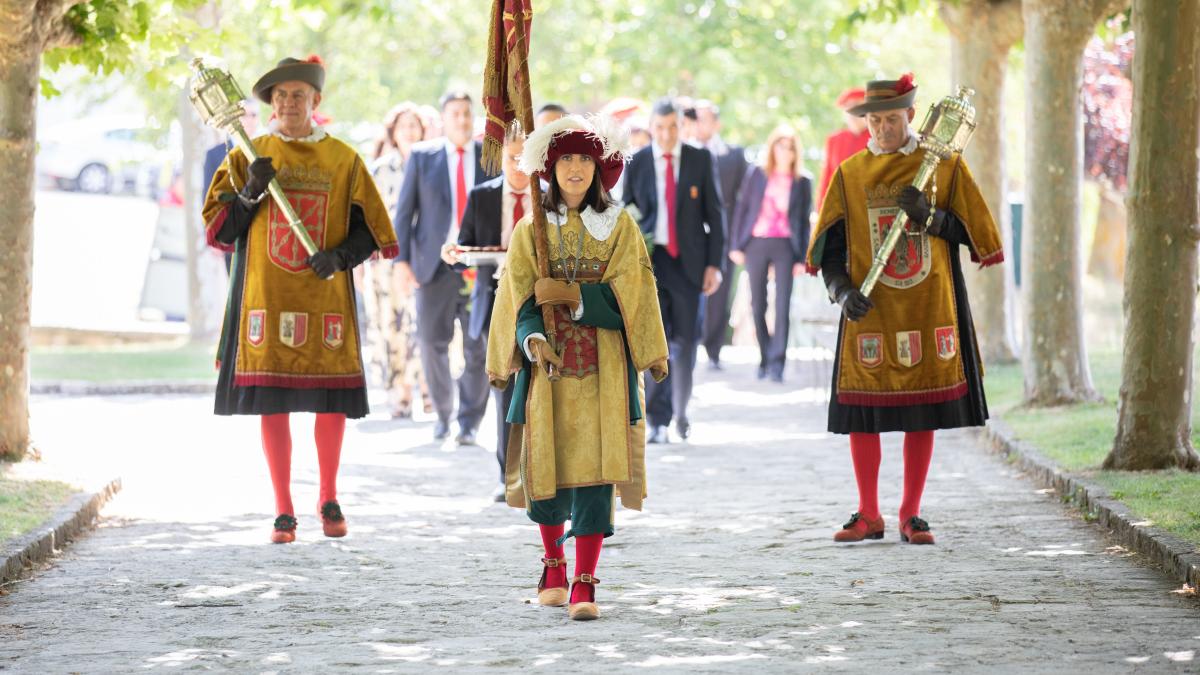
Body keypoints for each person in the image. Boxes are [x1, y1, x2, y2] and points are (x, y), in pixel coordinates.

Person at [202, 55, 398, 543]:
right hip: (265, 300)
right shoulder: (248, 153)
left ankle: (328, 495)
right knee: (275, 403)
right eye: (281, 96)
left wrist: (340, 256)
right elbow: (220, 230)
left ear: (316, 101)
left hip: (324, 299)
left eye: (299, 95)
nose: (289, 103)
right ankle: (283, 508)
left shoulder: (343, 159)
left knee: (329, 403)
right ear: (271, 103)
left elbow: (370, 231)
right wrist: (249, 191)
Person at [805, 74, 1003, 545]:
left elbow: (971, 233)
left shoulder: (944, 166)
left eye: (891, 119)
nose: (882, 129)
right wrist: (840, 291)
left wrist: (929, 215)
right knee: (862, 412)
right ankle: (868, 514)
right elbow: (829, 252)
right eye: (874, 120)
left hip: (925, 306)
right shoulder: (850, 174)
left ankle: (911, 513)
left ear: (912, 116)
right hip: (870, 312)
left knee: (923, 411)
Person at [486, 114, 668, 621]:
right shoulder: (531, 230)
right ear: (549, 166)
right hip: (548, 373)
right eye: (565, 157)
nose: (574, 168)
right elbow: (518, 297)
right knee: (549, 463)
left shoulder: (620, 227)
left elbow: (636, 291)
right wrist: (532, 336)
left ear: (599, 168)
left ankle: (586, 580)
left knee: (596, 470)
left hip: (605, 366)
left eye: (584, 159)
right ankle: (552, 565)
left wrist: (579, 297)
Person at [622, 98, 725, 444]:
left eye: (672, 127)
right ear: (652, 128)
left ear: (681, 127)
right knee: (656, 342)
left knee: (687, 339)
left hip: (691, 265)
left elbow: (716, 214)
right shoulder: (636, 162)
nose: (666, 134)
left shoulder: (699, 158)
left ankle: (682, 411)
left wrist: (714, 265)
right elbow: (626, 212)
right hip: (651, 262)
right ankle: (658, 420)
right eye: (659, 127)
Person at [393, 91, 489, 443]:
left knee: (477, 344)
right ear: (444, 119)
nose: (462, 120)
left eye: (467, 113)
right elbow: (405, 213)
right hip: (432, 266)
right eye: (455, 114)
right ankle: (443, 413)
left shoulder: (487, 158)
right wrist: (401, 262)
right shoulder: (423, 157)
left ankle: (469, 420)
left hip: (478, 265)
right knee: (432, 341)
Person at [442, 122, 531, 502]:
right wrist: (454, 255)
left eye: (525, 159)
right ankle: (506, 476)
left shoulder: (549, 200)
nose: (519, 167)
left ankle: (541, 472)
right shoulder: (481, 197)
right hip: (493, 303)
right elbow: (465, 248)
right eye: (512, 159)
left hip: (535, 304)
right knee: (503, 392)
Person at [363, 103, 432, 419]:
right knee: (393, 326)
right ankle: (401, 392)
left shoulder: (432, 164)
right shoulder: (380, 169)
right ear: (392, 132)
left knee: (424, 323)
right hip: (388, 260)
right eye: (403, 125)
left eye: (414, 125)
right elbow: (367, 217)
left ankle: (428, 389)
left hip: (423, 257)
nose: (409, 130)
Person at [729, 125, 811, 383]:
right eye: (780, 145)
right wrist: (735, 245)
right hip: (756, 243)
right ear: (772, 147)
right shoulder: (757, 173)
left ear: (795, 151)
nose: (784, 151)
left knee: (783, 304)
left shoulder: (802, 181)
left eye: (789, 146)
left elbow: (803, 222)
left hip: (786, 245)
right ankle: (764, 357)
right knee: (758, 304)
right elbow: (742, 209)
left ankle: (778, 363)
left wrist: (801, 259)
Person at [692, 99, 749, 370]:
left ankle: (713, 350)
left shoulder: (733, 155)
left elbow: (743, 201)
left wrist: (738, 239)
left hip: (723, 234)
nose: (699, 123)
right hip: (690, 232)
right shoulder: (685, 152)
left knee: (719, 293)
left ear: (716, 123)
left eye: (704, 118)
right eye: (696, 118)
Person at [202, 102, 259, 273]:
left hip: (259, 235)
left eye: (254, 115)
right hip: (230, 234)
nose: (248, 120)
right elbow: (208, 196)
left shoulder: (267, 149)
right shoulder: (215, 154)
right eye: (244, 114)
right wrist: (213, 236)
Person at [817, 87, 870, 211]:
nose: (851, 110)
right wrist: (821, 210)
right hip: (839, 208)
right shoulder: (834, 140)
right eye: (847, 106)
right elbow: (827, 177)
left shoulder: (879, 138)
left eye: (857, 105)